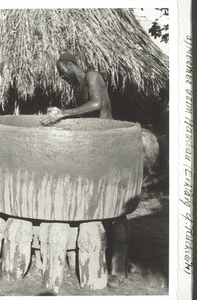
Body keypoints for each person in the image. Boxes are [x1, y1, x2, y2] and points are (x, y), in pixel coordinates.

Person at [41, 52, 132, 288]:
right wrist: (60, 112)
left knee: (112, 203)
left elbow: (96, 105)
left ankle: (118, 270)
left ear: (71, 64)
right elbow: (83, 110)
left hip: (106, 137)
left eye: (63, 72)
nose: (62, 77)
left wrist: (64, 114)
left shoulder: (92, 76)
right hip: (92, 140)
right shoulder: (77, 86)